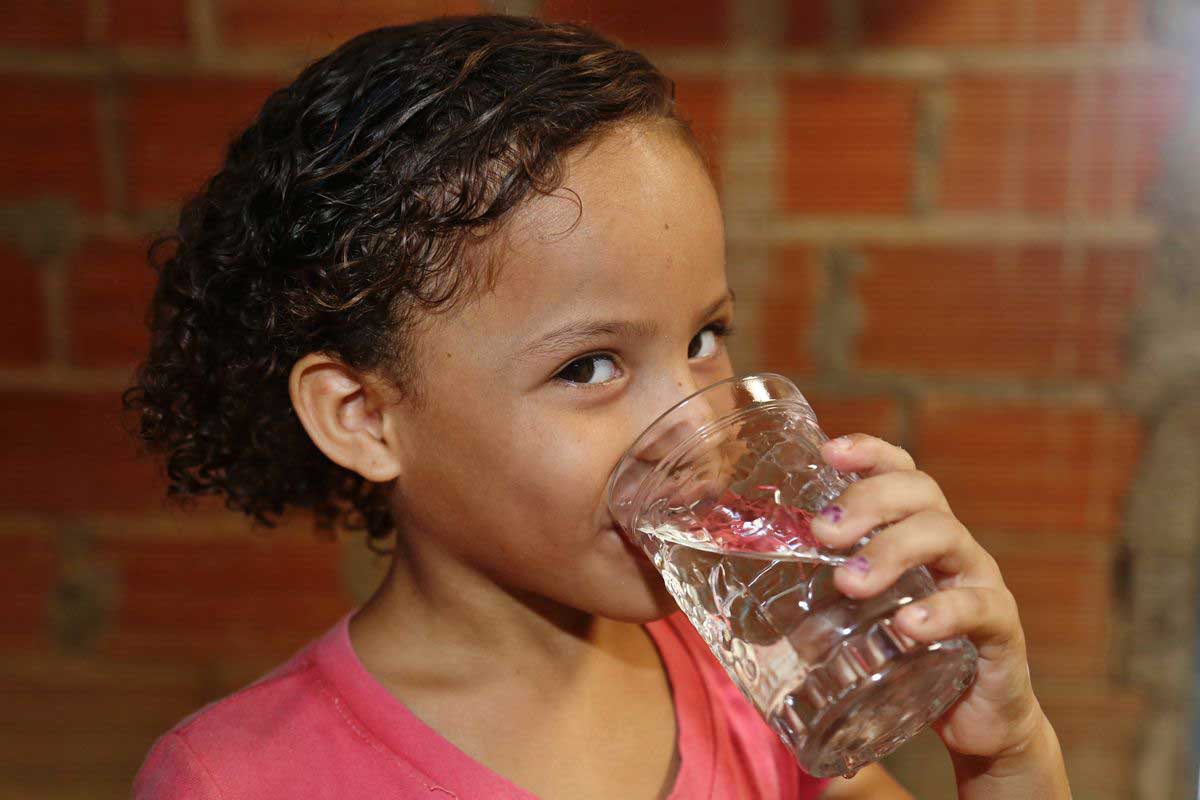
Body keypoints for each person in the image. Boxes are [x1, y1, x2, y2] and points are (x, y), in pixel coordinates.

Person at [126, 15, 1070, 799]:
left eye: (704, 336)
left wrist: (1006, 747)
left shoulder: (762, 674)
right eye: (588, 368)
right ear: (364, 416)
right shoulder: (238, 779)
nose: (702, 429)